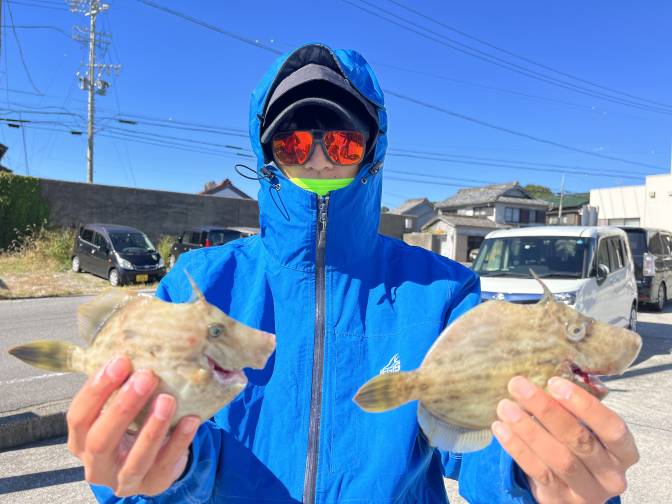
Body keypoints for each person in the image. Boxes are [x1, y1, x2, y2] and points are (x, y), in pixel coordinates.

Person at [67, 44, 639, 503]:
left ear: (372, 153)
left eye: (342, 142)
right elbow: (152, 440)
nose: (318, 159)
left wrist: (540, 477)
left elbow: (486, 438)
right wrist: (147, 467)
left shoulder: (443, 293)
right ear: (267, 156)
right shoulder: (197, 285)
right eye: (293, 142)